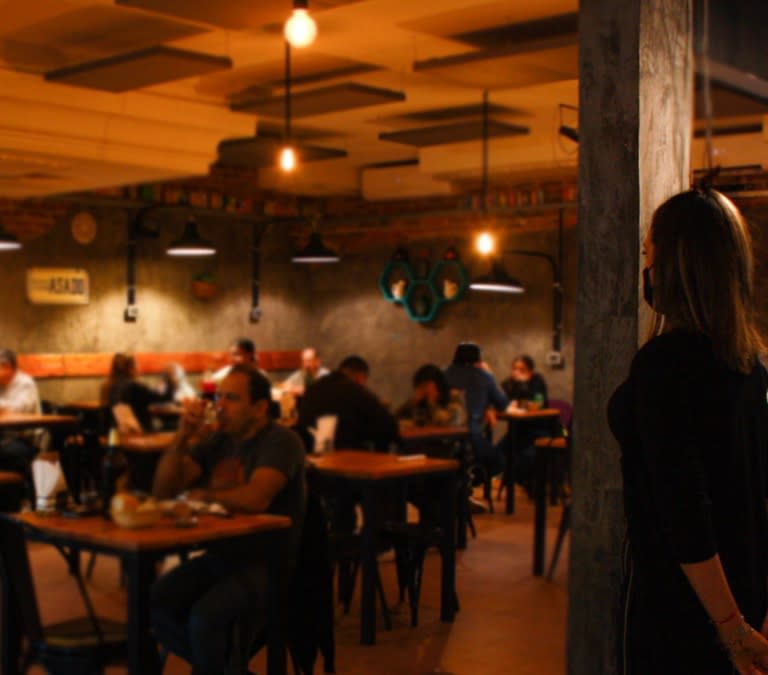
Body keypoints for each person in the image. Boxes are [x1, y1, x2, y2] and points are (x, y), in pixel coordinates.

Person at [607, 188, 768, 675]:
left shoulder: (664, 364)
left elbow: (684, 511)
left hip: (683, 597)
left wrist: (731, 629)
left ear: (676, 265)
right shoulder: (749, 365)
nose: (646, 269)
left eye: (649, 254)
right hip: (744, 581)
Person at [150, 365, 306, 675]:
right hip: (221, 555)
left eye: (231, 398)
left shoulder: (281, 441)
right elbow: (163, 490)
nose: (220, 405)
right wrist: (182, 436)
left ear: (260, 407)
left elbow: (255, 498)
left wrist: (204, 496)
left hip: (267, 562)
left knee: (204, 619)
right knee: (153, 601)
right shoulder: (219, 440)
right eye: (218, 397)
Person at [297, 355, 398, 453]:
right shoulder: (354, 390)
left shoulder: (313, 389)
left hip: (310, 457)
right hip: (348, 458)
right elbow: (389, 425)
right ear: (360, 377)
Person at [444, 342, 508, 480]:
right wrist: (489, 373)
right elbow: (502, 404)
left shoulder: (444, 374)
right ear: (478, 359)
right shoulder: (483, 377)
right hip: (470, 438)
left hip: (442, 440)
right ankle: (468, 484)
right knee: (499, 462)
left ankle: (460, 485)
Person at [499, 355, 551, 493]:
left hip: (538, 429)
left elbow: (539, 404)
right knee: (497, 452)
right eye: (515, 369)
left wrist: (523, 384)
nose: (517, 372)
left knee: (527, 456)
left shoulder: (537, 381)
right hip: (517, 429)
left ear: (530, 371)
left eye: (522, 369)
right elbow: (500, 399)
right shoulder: (510, 383)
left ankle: (529, 485)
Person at [0, 349, 44, 490]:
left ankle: (15, 497)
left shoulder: (25, 383)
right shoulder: (1, 384)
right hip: (5, 437)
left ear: (7, 367)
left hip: (26, 439)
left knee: (6, 452)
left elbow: (19, 409)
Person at [100, 353, 171, 432]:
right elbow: (162, 398)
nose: (139, 368)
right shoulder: (134, 386)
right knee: (169, 427)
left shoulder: (107, 386)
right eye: (137, 365)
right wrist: (167, 380)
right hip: (137, 432)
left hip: (114, 433)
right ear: (131, 369)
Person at [395, 363, 463, 427]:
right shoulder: (421, 402)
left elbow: (451, 422)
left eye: (426, 385)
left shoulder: (452, 396)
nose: (423, 390)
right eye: (420, 387)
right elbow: (394, 419)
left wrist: (432, 403)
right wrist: (412, 402)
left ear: (438, 383)